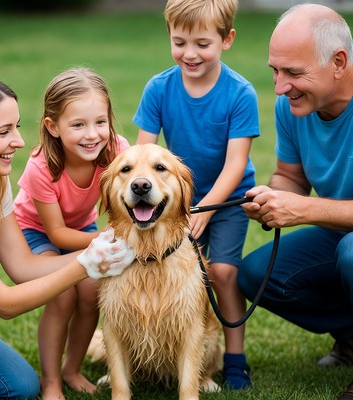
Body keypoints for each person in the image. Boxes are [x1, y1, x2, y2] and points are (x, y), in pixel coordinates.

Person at [0, 70, 134, 400]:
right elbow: (4, 304)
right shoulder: (38, 169)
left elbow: (23, 266)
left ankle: (68, 371)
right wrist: (87, 262)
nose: (21, 141)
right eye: (4, 131)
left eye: (17, 127)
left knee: (20, 386)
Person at [133, 0, 260, 390]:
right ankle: (155, 352)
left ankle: (235, 358)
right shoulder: (158, 88)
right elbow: (143, 157)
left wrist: (203, 208)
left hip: (225, 201)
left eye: (202, 43)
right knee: (161, 271)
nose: (190, 54)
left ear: (227, 39)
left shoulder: (240, 93)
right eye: (180, 42)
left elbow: (236, 164)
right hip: (174, 203)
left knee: (219, 273)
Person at [236, 3, 353, 400]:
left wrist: (304, 210)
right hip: (339, 230)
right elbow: (291, 176)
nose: (280, 86)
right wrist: (272, 199)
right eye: (275, 71)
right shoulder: (293, 104)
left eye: (293, 73)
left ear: (338, 62)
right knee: (255, 274)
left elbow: (307, 206)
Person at [13, 67, 130, 399]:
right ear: (53, 127)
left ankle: (72, 369)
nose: (92, 134)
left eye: (100, 122)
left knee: (91, 291)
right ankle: (50, 380)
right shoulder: (41, 167)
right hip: (36, 232)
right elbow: (58, 234)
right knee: (62, 296)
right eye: (78, 125)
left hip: (84, 227)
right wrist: (106, 237)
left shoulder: (116, 150)